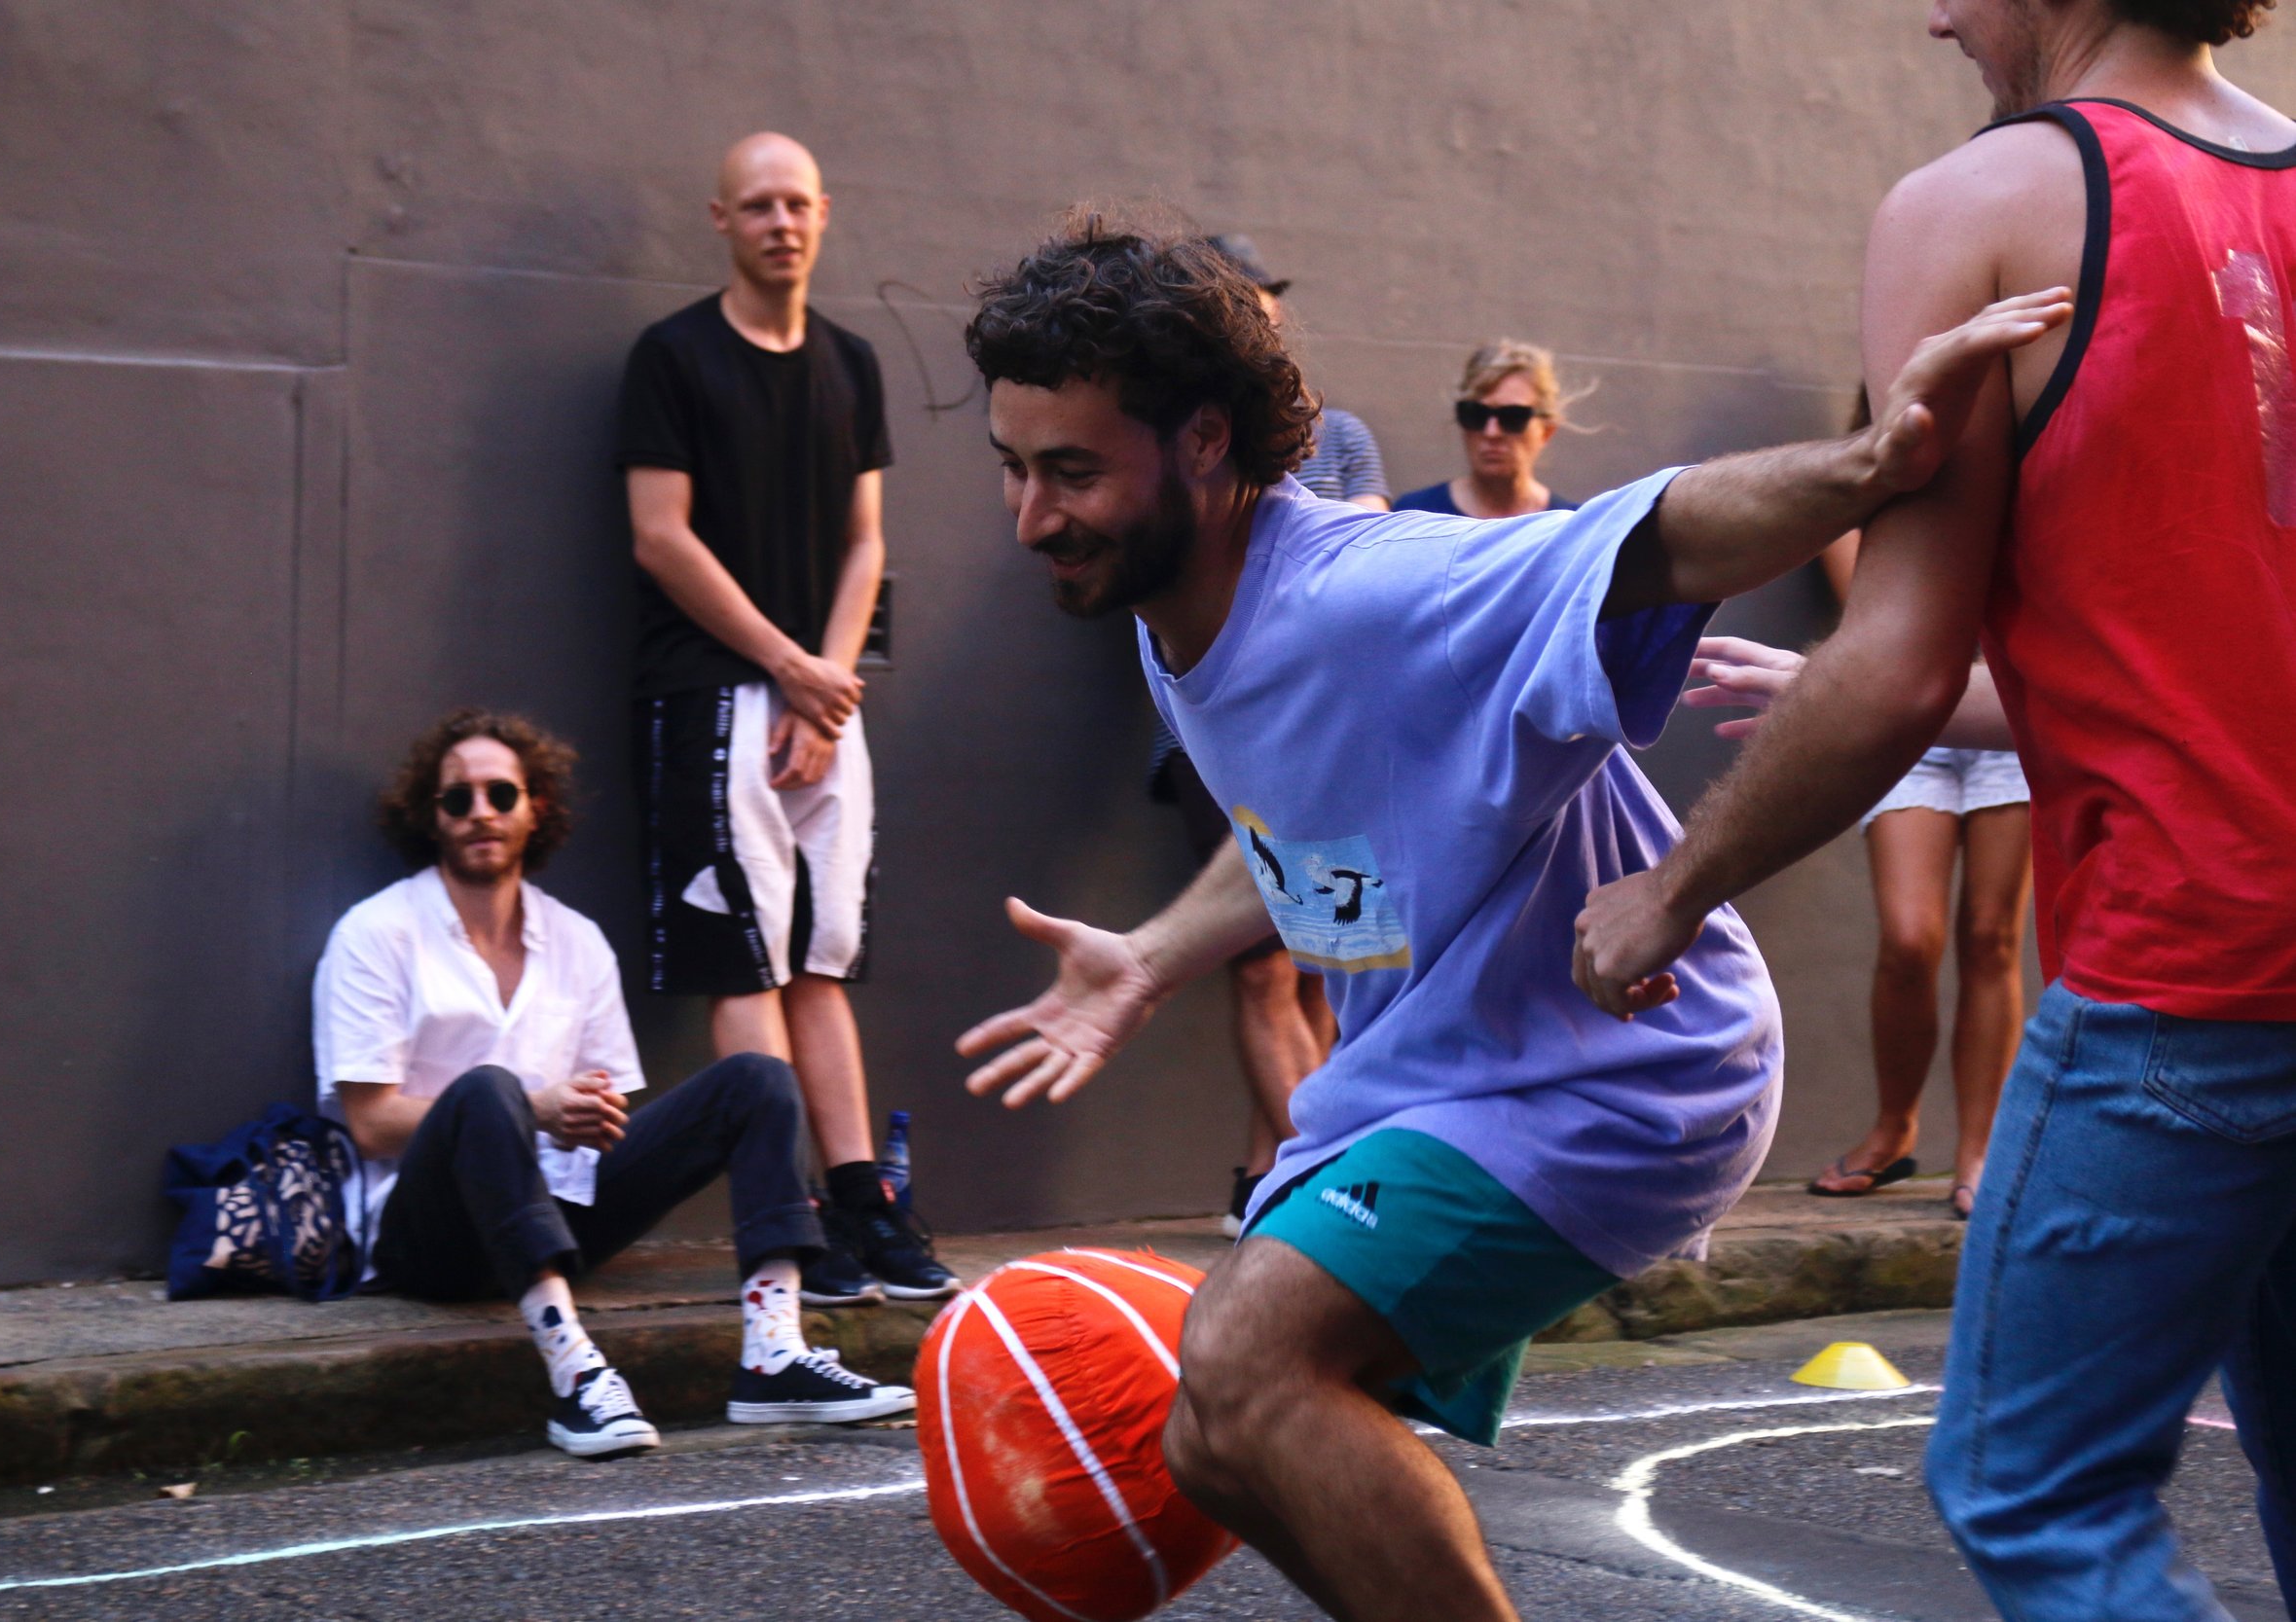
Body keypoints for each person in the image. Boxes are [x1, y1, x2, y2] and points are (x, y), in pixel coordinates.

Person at [956, 215, 2064, 1621]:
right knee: (1215, 1438)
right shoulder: (1170, 606)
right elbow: (1312, 817)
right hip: (1436, 1077)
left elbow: (1652, 535)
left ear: (1207, 443)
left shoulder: (1372, 586)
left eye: (1070, 472)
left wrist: (1864, 468)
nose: (1032, 516)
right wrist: (1157, 954)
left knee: (1244, 1363)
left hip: (1612, 1064)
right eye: (1013, 466)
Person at [1572, 3, 2296, 1614]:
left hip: (2192, 979)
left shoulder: (1976, 207)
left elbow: (1895, 663)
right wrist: (1820, 697)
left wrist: (1670, 887)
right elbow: (2190, 643)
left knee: (2033, 1491)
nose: (1937, 15)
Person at [312, 709, 913, 1457]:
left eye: (501, 794)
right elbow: (370, 1122)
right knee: (488, 1089)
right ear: (428, 817)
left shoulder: (577, 941)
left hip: (561, 1215)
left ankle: (773, 1350)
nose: (480, 813)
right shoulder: (376, 933)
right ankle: (575, 1376)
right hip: (431, 1238)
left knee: (758, 1079)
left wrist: (592, 1116)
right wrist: (533, 1110)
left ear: (537, 808)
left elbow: (613, 1105)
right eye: (456, 798)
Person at [618, 131, 956, 1304]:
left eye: (798, 203)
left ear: (826, 210)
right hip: (710, 692)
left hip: (819, 692)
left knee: (823, 960)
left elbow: (867, 542)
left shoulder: (853, 364)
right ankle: (784, 1218)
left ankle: (863, 1200)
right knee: (742, 961)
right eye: (757, 205)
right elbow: (660, 535)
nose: (781, 223)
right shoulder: (670, 358)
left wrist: (825, 679)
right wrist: (784, 667)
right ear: (720, 218)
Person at [1155, 232, 1380, 1231]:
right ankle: (1317, 1178)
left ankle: (1292, 1167)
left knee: (1338, 957)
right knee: (1259, 961)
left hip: (1333, 734)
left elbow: (1356, 563)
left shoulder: (1342, 436)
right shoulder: (1163, 436)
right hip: (1224, 742)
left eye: (1265, 304)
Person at [1800, 399, 2032, 1218]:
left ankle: (1980, 1147)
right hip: (1909, 724)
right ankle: (1896, 1129)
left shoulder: (2024, 460)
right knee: (1909, 937)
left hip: (2007, 710)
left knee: (1991, 935)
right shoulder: (1864, 480)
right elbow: (1883, 623)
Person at [1393, 342, 1582, 518]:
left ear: (1546, 431)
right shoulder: (1415, 515)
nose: (1492, 432)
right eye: (1475, 414)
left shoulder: (1571, 528)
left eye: (1513, 417)